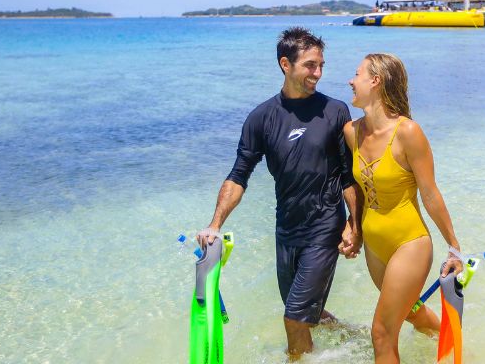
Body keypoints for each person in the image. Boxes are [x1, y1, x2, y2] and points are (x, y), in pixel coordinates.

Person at [197, 27, 362, 358]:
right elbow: (238, 175)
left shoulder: (335, 111)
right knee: (300, 313)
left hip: (324, 226)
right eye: (310, 65)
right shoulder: (261, 118)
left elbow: (349, 177)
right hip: (286, 229)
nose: (318, 73)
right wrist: (215, 224)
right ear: (285, 64)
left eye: (321, 66)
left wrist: (355, 226)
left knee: (293, 317)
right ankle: (354, 336)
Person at [344, 53, 463, 364]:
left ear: (375, 81)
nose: (350, 81)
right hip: (375, 246)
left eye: (356, 74)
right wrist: (352, 225)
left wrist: (454, 248)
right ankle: (454, 348)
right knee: (411, 313)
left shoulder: (408, 132)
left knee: (382, 332)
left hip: (409, 243)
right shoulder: (351, 132)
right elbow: (355, 186)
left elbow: (431, 194)